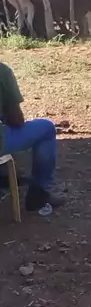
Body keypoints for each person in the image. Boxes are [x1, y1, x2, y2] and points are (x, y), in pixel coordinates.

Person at [0, 62, 64, 211]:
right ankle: (38, 193)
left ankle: (5, 177)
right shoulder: (2, 71)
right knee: (46, 128)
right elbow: (16, 119)